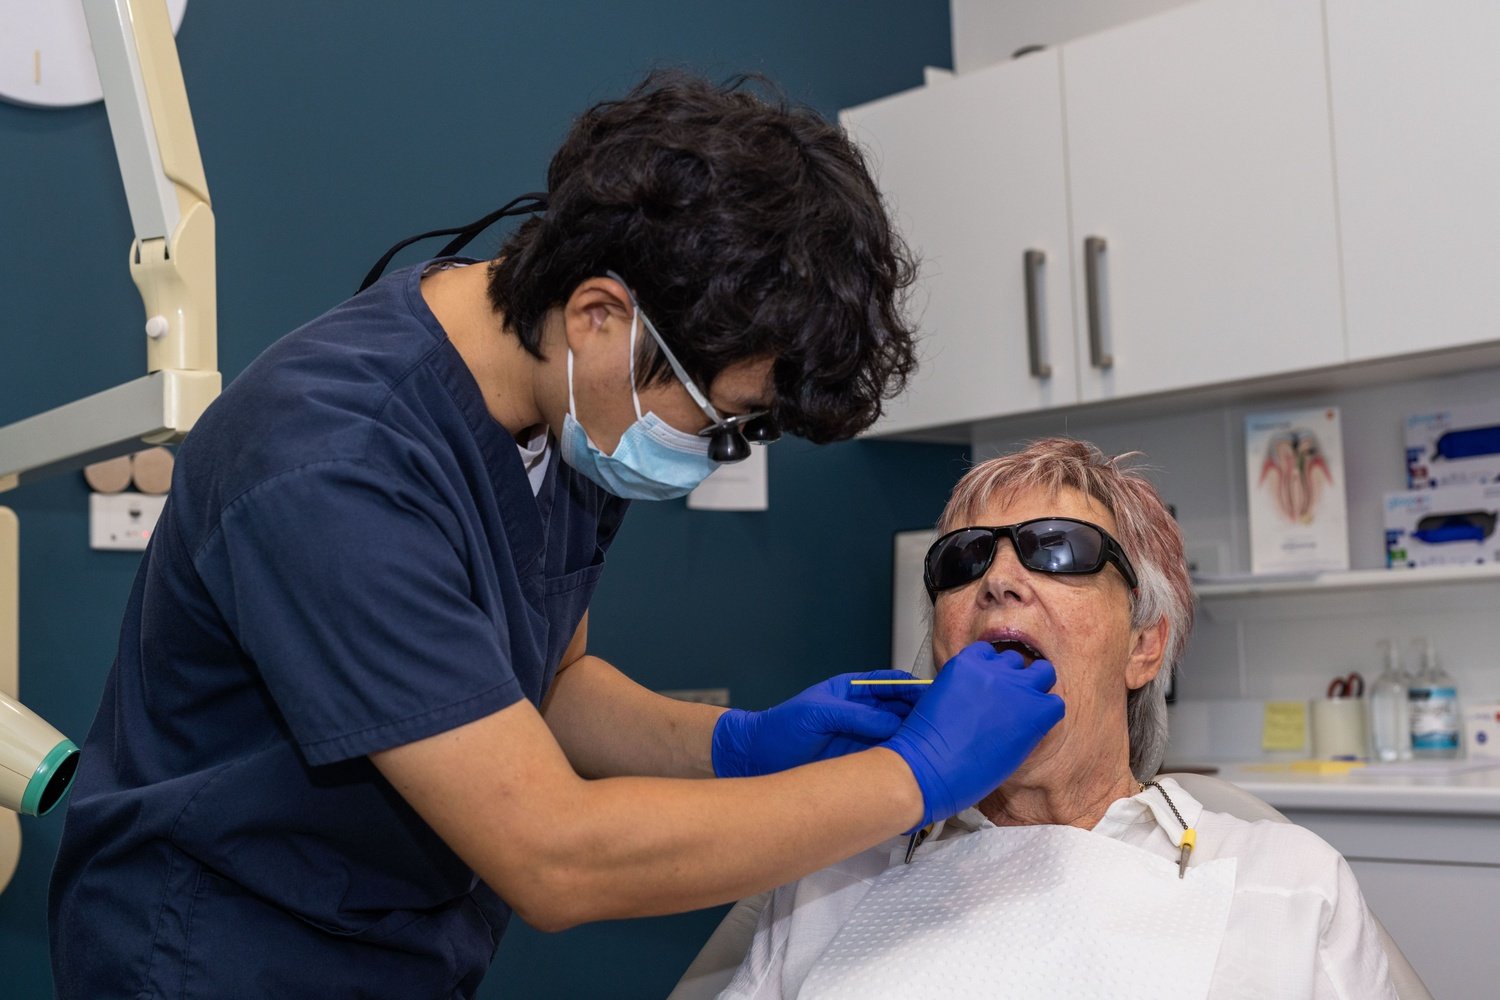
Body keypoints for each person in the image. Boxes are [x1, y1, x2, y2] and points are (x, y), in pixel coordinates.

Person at [48, 73, 1068, 998]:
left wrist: (738, 743)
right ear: (598, 315)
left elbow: (551, 683)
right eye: (722, 423)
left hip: (391, 945)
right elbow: (553, 856)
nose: (717, 453)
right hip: (217, 955)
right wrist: (913, 777)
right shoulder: (333, 465)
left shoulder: (570, 411)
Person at [719, 438, 1397, 999]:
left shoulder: (1291, 885)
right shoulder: (830, 874)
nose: (997, 580)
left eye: (1058, 549)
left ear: (1143, 647)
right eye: (963, 558)